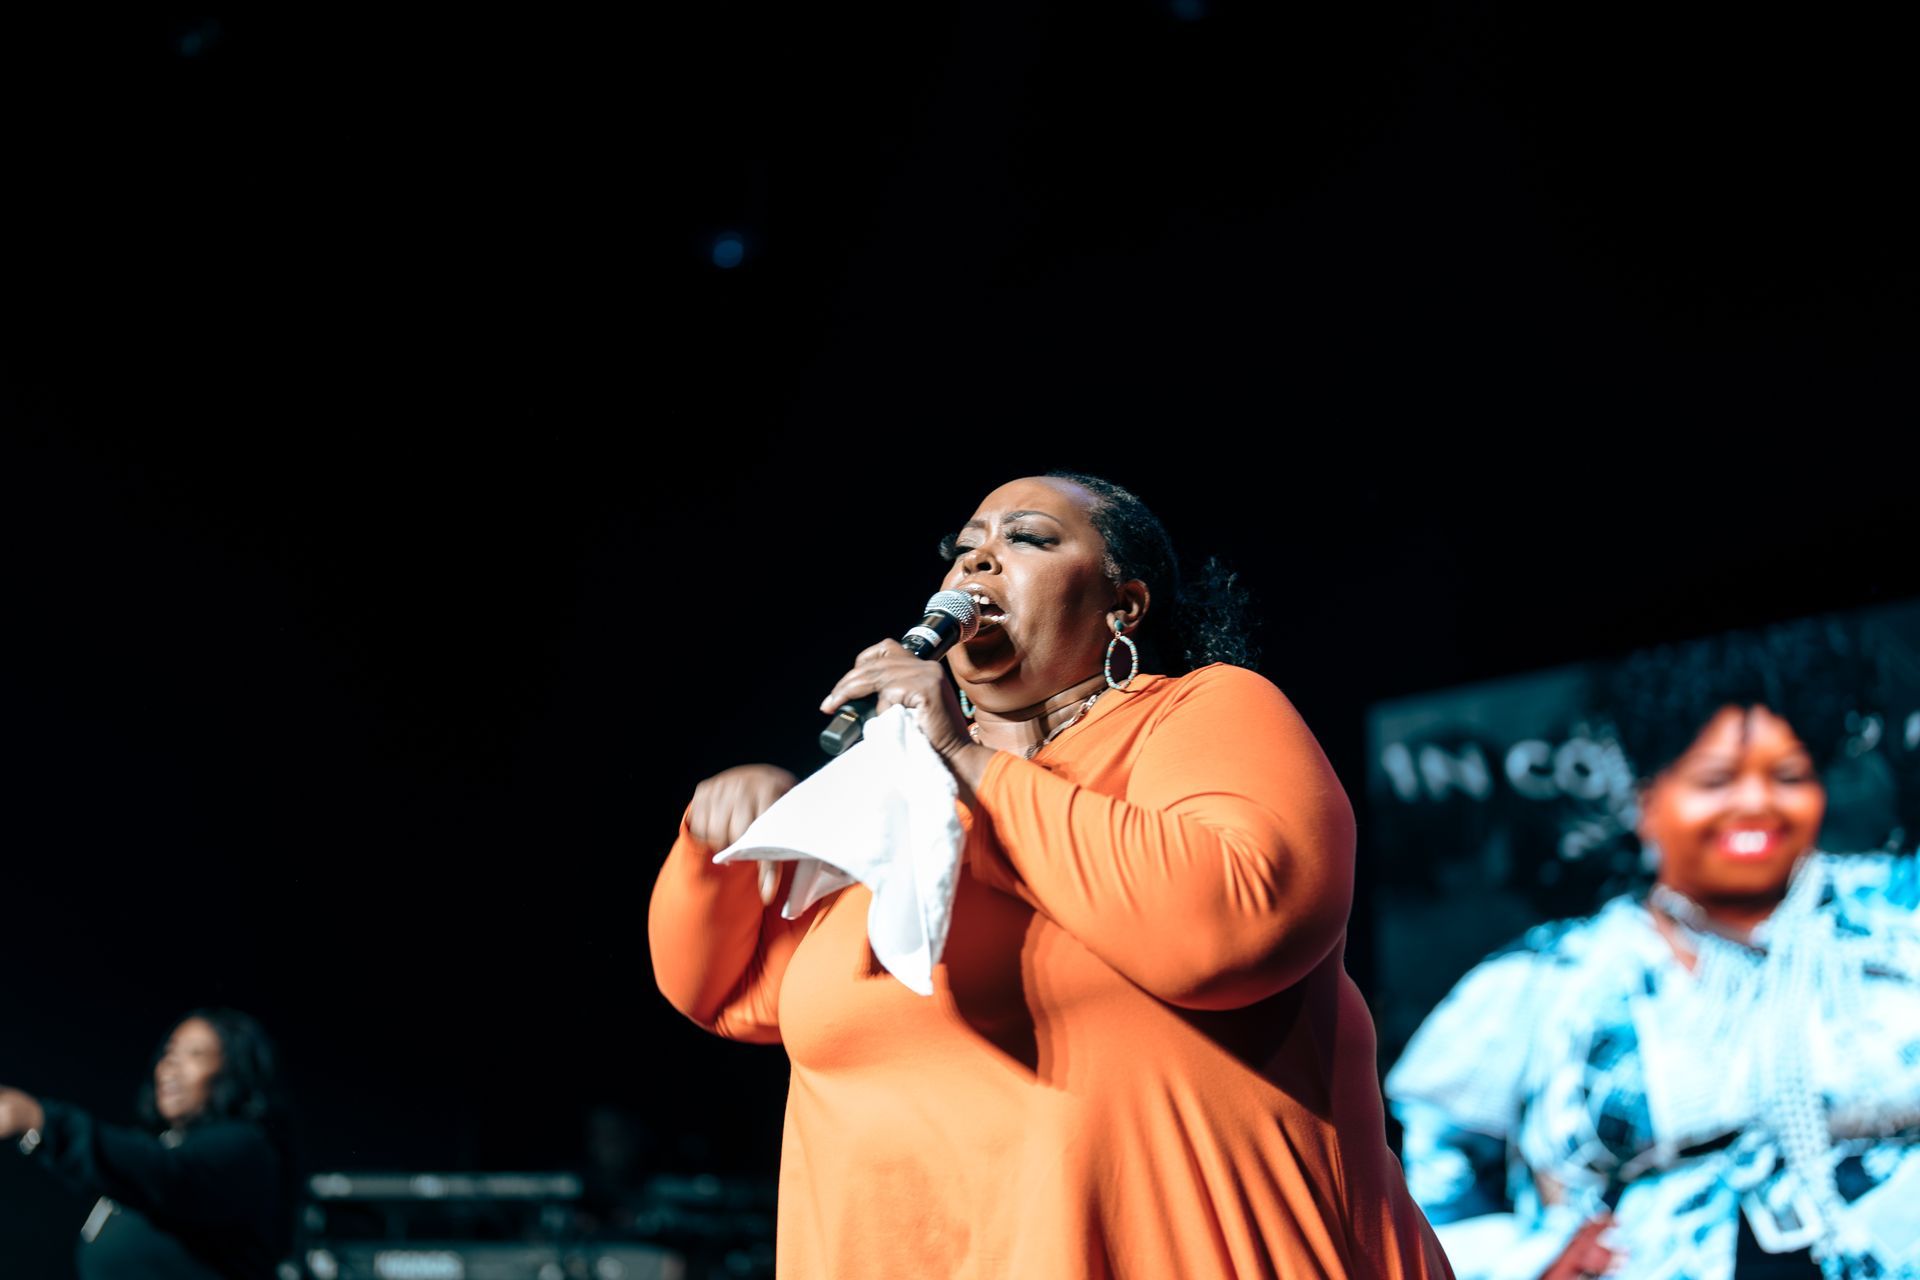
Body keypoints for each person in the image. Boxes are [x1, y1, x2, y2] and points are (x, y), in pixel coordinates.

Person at [649, 472, 1451, 1278]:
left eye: (1027, 538)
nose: (977, 562)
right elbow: (730, 990)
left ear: (1123, 606)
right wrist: (720, 848)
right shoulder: (892, 792)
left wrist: (966, 761)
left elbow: (1236, 926)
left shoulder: (1198, 711)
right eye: (963, 548)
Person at [1385, 625, 1920, 1279]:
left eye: (1785, 774)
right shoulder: (1551, 979)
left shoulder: (1897, 921)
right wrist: (1524, 1262)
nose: (1753, 803)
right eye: (1715, 779)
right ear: (1647, 800)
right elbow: (1431, 1174)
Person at [1, 1007, 297, 1279]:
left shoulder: (246, 1146)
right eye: (169, 1052)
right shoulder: (168, 1146)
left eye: (195, 1054)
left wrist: (42, 1121)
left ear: (234, 1069)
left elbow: (169, 1174)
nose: (170, 1065)